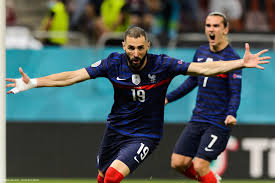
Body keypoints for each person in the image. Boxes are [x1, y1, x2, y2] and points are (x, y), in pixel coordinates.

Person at [6, 26, 269, 183]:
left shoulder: (163, 64)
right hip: (115, 131)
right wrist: (34, 82)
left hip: (145, 134)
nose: (135, 53)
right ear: (123, 46)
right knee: (102, 176)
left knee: (112, 177)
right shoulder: (113, 63)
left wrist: (239, 63)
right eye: (130, 48)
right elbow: (72, 76)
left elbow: (204, 68)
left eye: (140, 48)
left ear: (148, 46)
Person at [165, 12, 243, 183]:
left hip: (218, 121)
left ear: (225, 29)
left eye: (216, 26)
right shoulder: (200, 52)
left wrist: (232, 113)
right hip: (198, 117)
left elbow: (235, 92)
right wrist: (168, 98)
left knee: (200, 165)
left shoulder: (233, 59)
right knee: (178, 162)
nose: (211, 29)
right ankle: (211, 180)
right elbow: (191, 82)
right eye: (208, 25)